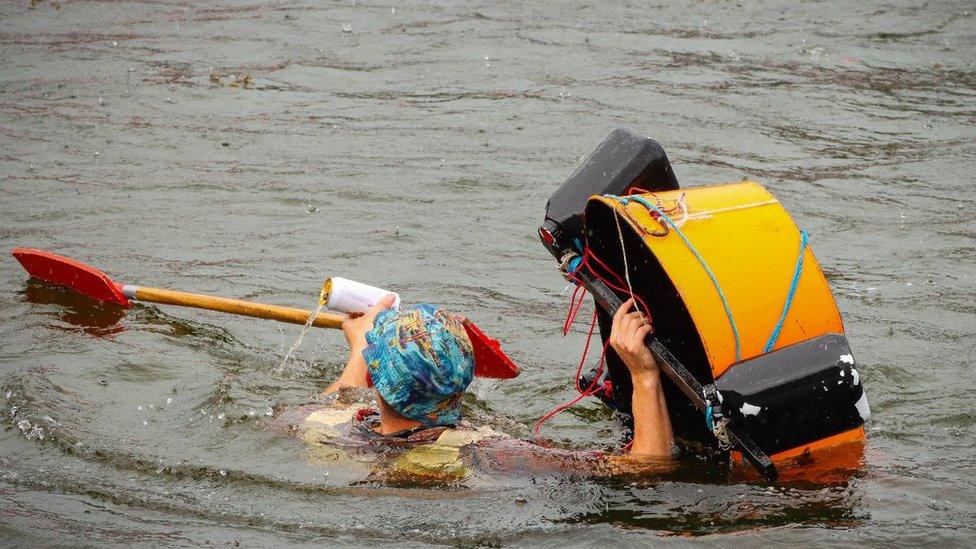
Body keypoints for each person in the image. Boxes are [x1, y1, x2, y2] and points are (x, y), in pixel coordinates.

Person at [281, 294, 673, 481]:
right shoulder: (489, 453)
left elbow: (337, 402)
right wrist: (643, 374)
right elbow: (647, 468)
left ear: (374, 377)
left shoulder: (332, 429)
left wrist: (359, 352)